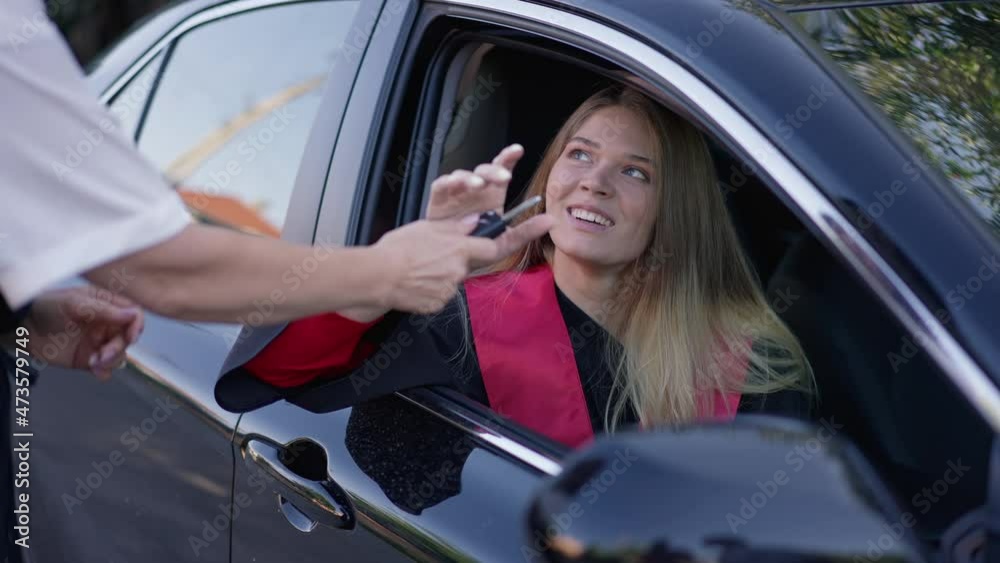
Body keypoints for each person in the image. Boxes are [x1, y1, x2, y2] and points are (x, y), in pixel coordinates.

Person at [220, 86, 815, 448]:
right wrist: (397, 266)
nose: (594, 181)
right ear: (550, 176)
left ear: (675, 211)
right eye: (579, 155)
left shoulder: (750, 368)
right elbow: (282, 368)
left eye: (636, 171)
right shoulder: (460, 322)